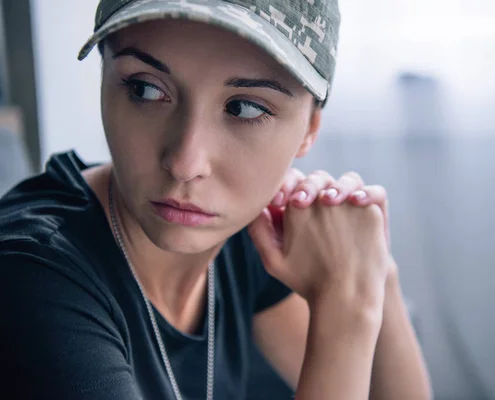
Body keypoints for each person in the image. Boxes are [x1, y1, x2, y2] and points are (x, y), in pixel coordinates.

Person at [0, 0, 431, 399]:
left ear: (309, 130)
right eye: (146, 89)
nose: (186, 163)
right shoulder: (30, 277)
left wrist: (371, 271)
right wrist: (344, 306)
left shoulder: (244, 231)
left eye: (244, 108)